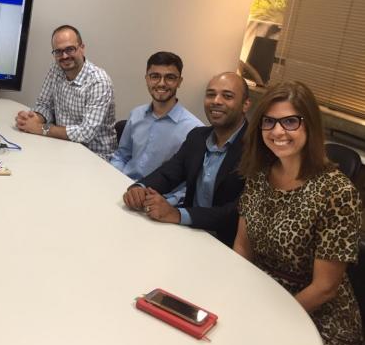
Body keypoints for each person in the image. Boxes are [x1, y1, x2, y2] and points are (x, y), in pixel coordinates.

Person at [234, 81, 362, 345]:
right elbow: (242, 247)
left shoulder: (337, 192)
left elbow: (325, 287)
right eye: (269, 121)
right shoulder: (259, 175)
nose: (277, 131)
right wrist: (235, 294)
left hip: (318, 318)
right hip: (263, 296)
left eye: (290, 121)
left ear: (310, 126)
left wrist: (271, 319)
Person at [122, 72, 250, 246]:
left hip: (226, 244)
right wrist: (140, 188)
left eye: (227, 96)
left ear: (245, 105)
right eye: (211, 94)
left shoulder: (256, 149)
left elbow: (238, 211)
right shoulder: (197, 136)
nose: (216, 101)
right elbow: (169, 173)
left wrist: (177, 214)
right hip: (187, 233)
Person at [110, 51, 203, 205]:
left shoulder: (194, 130)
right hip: (122, 188)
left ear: (179, 81)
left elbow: (189, 184)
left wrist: (166, 204)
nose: (161, 83)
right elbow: (121, 156)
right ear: (147, 79)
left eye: (170, 77)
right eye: (155, 76)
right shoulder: (136, 114)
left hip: (157, 201)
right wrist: (114, 179)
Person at [15, 25, 116, 159]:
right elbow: (45, 105)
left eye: (70, 49)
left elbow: (85, 133)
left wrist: (40, 128)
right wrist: (33, 119)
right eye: (58, 51)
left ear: (82, 48)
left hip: (95, 156)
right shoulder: (56, 70)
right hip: (62, 145)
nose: (64, 56)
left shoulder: (99, 81)